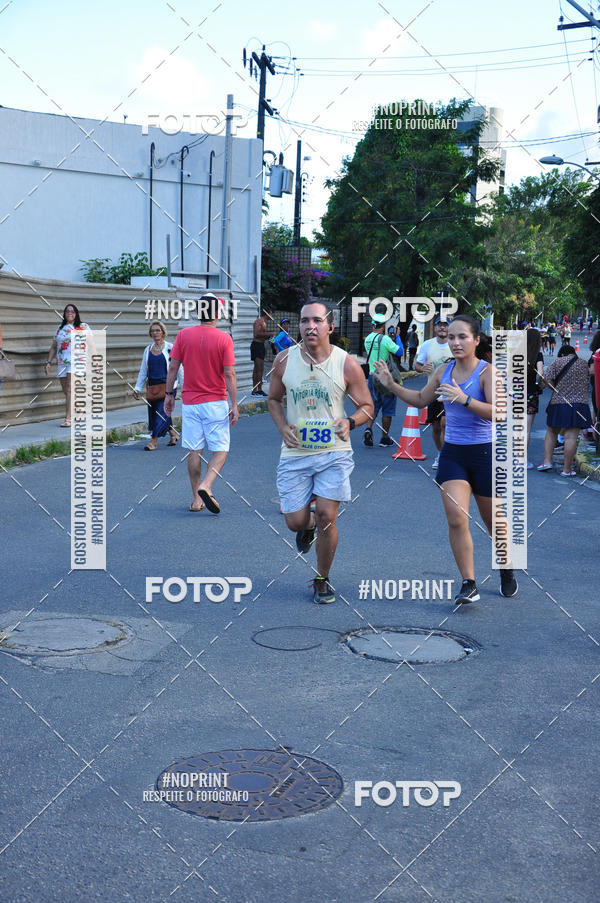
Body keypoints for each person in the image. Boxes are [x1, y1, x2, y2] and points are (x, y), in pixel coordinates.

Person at [374, 314, 518, 604]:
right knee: (456, 518)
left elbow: (500, 413)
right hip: (453, 453)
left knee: (494, 521)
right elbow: (420, 399)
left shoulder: (487, 372)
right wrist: (391, 384)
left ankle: (506, 567)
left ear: (476, 340)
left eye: (462, 336)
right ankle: (469, 583)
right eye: (451, 337)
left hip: (484, 453)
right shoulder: (444, 370)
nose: (455, 342)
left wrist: (464, 399)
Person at [268, 300, 373, 604]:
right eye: (304, 321)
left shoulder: (346, 364)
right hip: (296, 453)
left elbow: (368, 406)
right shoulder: (284, 360)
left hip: (334, 453)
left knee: (327, 515)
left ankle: (322, 579)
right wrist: (282, 427)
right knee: (294, 521)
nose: (310, 326)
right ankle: (308, 526)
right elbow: (273, 399)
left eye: (317, 320)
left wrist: (350, 422)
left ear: (330, 326)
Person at [164, 293, 238, 513]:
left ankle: (196, 500)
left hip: (190, 402)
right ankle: (206, 485)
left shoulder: (183, 335)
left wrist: (169, 395)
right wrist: (234, 403)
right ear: (217, 314)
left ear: (198, 312)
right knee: (221, 449)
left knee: (194, 451)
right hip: (215, 402)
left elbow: (173, 368)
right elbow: (230, 374)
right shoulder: (224, 338)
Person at [537, 345, 592, 476]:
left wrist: (554, 388)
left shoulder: (558, 362)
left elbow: (545, 378)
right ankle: (567, 470)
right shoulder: (584, 363)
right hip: (579, 404)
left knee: (551, 432)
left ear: (562, 354)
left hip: (558, 402)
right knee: (571, 437)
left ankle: (547, 461)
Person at [133, 320, 179, 450]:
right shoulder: (148, 350)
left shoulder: (170, 348)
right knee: (156, 413)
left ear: (163, 332)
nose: (155, 333)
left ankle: (153, 441)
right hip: (153, 387)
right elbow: (143, 370)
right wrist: (137, 388)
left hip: (168, 387)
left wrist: (185, 386)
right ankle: (173, 434)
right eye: (153, 331)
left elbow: (178, 368)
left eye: (158, 330)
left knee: (161, 413)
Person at [414, 318, 453, 468]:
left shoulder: (454, 344)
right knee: (436, 427)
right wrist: (422, 368)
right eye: (440, 325)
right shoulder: (427, 345)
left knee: (445, 424)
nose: (442, 328)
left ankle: (445, 457)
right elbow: (417, 365)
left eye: (445, 325)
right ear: (435, 328)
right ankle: (440, 453)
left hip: (450, 393)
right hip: (434, 392)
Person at [44, 304, 91, 427]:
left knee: (70, 388)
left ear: (76, 313)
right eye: (67, 311)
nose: (70, 313)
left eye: (72, 311)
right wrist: (48, 362)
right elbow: (54, 347)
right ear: (64, 314)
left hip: (77, 361)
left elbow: (91, 344)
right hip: (62, 362)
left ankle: (68, 419)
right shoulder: (60, 328)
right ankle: (80, 409)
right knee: (65, 390)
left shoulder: (83, 327)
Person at [363, 314, 405, 447]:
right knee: (387, 409)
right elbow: (400, 352)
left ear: (373, 324)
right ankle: (384, 438)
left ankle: (368, 429)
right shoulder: (385, 339)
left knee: (374, 406)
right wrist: (397, 336)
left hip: (372, 376)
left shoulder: (367, 339)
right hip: (385, 377)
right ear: (383, 325)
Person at [525, 329, 544, 469]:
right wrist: (540, 385)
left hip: (515, 394)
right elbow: (540, 374)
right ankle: (522, 460)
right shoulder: (538, 355)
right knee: (526, 430)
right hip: (531, 393)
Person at [250, 308, 273, 397]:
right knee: (259, 369)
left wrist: (270, 337)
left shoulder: (263, 322)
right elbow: (256, 334)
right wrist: (269, 334)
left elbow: (263, 335)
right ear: (267, 313)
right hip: (257, 346)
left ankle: (255, 390)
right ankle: (258, 390)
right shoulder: (259, 321)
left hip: (261, 345)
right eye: (270, 313)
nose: (271, 316)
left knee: (258, 369)